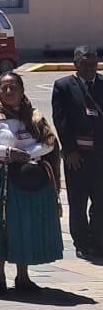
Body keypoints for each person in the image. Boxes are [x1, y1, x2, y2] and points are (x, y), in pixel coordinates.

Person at [0, 72, 64, 295]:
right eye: (4, 88)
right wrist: (8, 152)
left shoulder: (34, 115)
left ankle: (23, 276)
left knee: (23, 227)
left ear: (22, 90)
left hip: (27, 180)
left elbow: (49, 142)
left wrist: (27, 154)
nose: (9, 92)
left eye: (13, 88)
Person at [52, 45, 103, 258]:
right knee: (78, 201)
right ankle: (82, 243)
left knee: (100, 201)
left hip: (100, 155)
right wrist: (70, 150)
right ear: (76, 64)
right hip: (77, 156)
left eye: (93, 63)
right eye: (84, 63)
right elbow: (60, 120)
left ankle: (98, 241)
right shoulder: (64, 86)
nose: (89, 67)